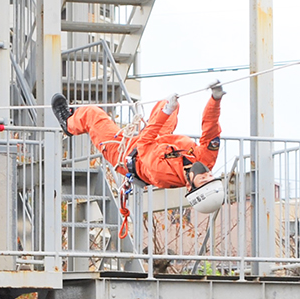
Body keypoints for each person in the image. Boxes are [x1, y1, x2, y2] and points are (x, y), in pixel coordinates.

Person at [51, 81, 228, 214]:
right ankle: (164, 112)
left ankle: (68, 123)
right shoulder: (206, 159)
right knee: (168, 105)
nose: (206, 174)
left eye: (203, 180)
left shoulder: (162, 174)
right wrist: (215, 99)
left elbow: (144, 144)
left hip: (126, 153)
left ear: (190, 186)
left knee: (92, 115)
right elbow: (211, 127)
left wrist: (163, 114)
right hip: (159, 142)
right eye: (210, 177)